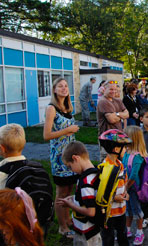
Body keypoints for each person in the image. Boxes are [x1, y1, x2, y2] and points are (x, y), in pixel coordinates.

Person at [43, 77, 79, 237]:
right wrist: (67, 130)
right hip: (59, 158)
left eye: (66, 86)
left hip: (71, 156)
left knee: (70, 190)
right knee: (61, 192)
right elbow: (46, 135)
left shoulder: (67, 107)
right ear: (54, 89)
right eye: (60, 86)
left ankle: (69, 221)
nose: (64, 88)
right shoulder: (52, 108)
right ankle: (62, 227)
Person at [57, 141, 102, 245]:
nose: (71, 170)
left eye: (70, 166)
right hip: (94, 230)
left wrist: (71, 205)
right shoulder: (94, 174)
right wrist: (74, 198)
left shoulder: (86, 182)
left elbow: (91, 212)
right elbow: (90, 197)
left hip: (85, 234)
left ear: (76, 158)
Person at [98, 130, 131, 246]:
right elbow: (101, 191)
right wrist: (113, 197)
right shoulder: (106, 168)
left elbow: (124, 182)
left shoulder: (120, 164)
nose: (126, 150)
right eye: (124, 148)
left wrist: (126, 192)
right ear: (116, 149)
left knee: (123, 235)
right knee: (108, 238)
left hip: (121, 210)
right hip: (109, 213)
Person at [124, 126, 148, 245]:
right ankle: (127, 230)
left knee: (137, 210)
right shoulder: (126, 153)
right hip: (126, 187)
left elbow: (133, 176)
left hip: (133, 189)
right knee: (127, 210)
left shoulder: (137, 156)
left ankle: (139, 232)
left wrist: (126, 187)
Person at [97, 81, 129, 161]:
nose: (114, 91)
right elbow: (111, 119)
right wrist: (121, 116)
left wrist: (117, 114)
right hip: (107, 137)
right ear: (104, 89)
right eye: (111, 89)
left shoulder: (117, 100)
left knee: (122, 161)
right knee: (107, 162)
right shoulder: (103, 101)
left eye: (115, 89)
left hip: (119, 135)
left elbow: (127, 114)